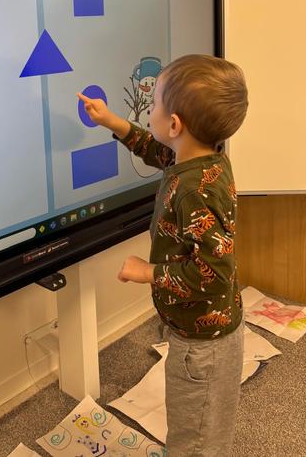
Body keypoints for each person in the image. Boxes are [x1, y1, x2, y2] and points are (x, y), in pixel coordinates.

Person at [77, 54, 248, 457]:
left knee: (195, 436)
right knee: (202, 425)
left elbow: (212, 274)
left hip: (201, 348)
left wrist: (148, 272)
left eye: (153, 104)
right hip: (201, 334)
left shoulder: (194, 191)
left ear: (174, 125)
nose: (148, 110)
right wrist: (112, 121)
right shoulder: (202, 157)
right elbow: (155, 150)